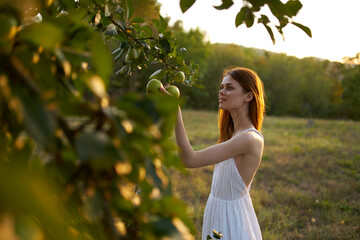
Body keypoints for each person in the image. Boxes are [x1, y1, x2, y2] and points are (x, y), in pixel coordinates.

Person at [162, 66, 265, 240]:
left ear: (248, 96)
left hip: (231, 219)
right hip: (217, 211)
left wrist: (175, 112)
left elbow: (189, 159)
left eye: (230, 88)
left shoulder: (249, 139)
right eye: (222, 87)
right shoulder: (233, 134)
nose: (222, 92)